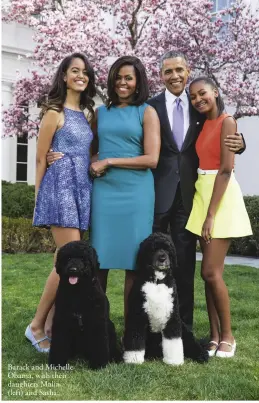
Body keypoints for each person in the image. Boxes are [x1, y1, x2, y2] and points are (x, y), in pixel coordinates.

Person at [147, 50, 245, 330]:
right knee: (149, 262)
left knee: (185, 264)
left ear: (187, 71)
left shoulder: (199, 104)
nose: (174, 76)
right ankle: (151, 325)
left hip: (191, 198)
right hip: (157, 194)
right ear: (161, 75)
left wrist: (241, 142)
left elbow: (222, 129)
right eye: (168, 71)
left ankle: (183, 328)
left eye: (179, 70)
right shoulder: (150, 106)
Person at [25, 52, 96, 352]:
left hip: (82, 188)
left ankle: (53, 326)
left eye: (85, 72)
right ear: (64, 76)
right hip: (60, 188)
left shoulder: (90, 114)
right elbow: (41, 157)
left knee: (64, 259)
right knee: (66, 259)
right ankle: (37, 325)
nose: (80, 75)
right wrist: (39, 197)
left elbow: (89, 152)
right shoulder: (53, 112)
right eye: (74, 71)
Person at [89, 56, 160, 323]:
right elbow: (90, 149)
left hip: (136, 194)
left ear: (138, 80)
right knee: (98, 261)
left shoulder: (147, 112)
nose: (122, 82)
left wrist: (109, 160)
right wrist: (91, 162)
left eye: (128, 77)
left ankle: (132, 334)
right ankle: (97, 330)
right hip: (104, 193)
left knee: (134, 263)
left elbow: (151, 158)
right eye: (118, 77)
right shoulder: (101, 113)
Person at [185, 76, 252, 357]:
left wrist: (210, 215)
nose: (198, 99)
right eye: (193, 97)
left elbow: (225, 170)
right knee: (209, 274)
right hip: (202, 192)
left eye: (203, 94)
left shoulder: (227, 121)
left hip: (220, 197)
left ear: (215, 91)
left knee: (210, 271)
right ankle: (213, 337)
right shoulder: (201, 124)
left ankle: (228, 336)